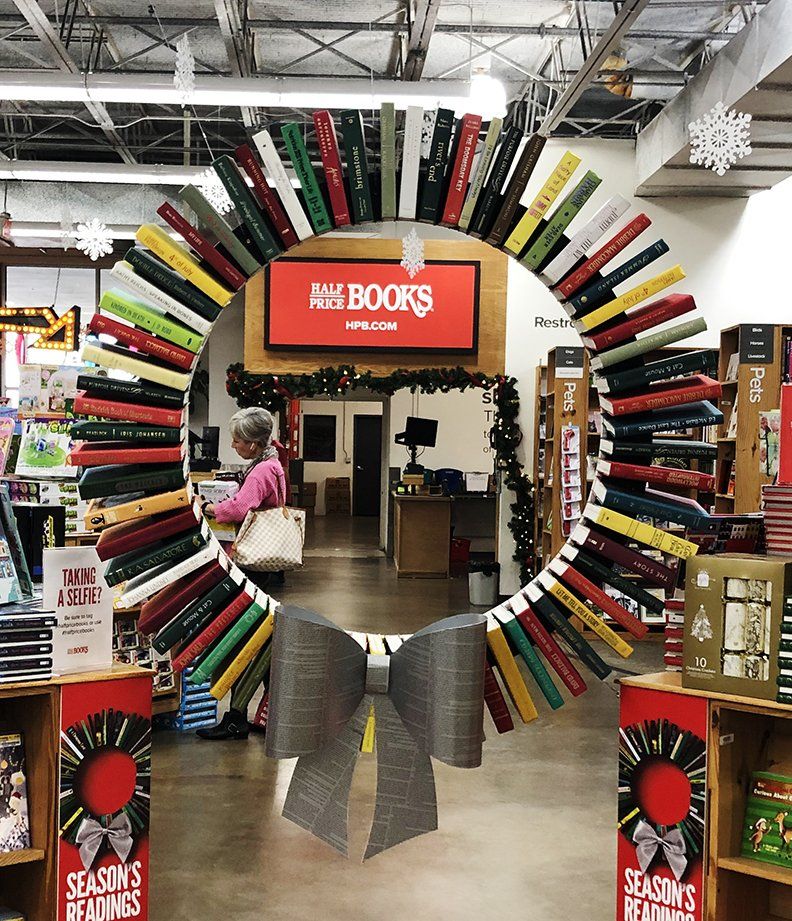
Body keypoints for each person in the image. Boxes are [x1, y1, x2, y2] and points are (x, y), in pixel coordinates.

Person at [199, 406, 286, 741]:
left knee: (241, 640)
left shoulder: (262, 471)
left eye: (238, 440)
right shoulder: (272, 464)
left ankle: (236, 717)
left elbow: (238, 508)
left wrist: (210, 509)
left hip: (252, 566)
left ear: (252, 443)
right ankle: (268, 712)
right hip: (266, 566)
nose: (233, 444)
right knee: (262, 639)